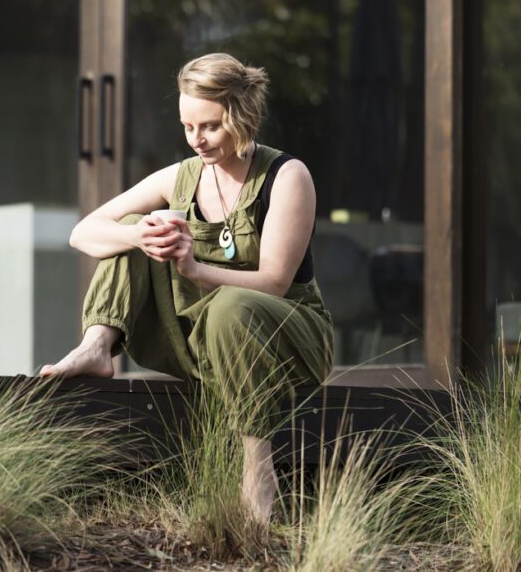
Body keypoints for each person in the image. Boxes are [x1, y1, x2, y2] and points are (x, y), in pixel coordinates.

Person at [40, 52, 333, 526]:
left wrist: (195, 269)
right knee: (134, 226)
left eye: (210, 127)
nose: (197, 139)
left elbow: (275, 281)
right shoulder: (182, 177)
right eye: (187, 127)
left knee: (232, 306)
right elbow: (83, 232)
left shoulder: (286, 176)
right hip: (196, 342)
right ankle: (96, 347)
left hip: (285, 340)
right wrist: (140, 236)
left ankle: (257, 468)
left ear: (241, 116)